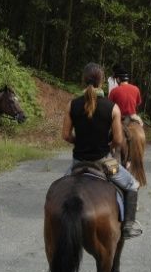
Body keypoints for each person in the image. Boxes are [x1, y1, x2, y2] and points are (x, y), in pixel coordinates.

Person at [61, 62, 142, 239]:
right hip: (105, 162)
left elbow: (66, 135)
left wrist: (80, 142)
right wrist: (108, 145)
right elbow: (119, 140)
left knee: (61, 189)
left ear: (83, 80)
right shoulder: (112, 107)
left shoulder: (71, 105)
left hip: (78, 162)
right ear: (102, 81)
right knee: (132, 185)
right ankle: (128, 225)